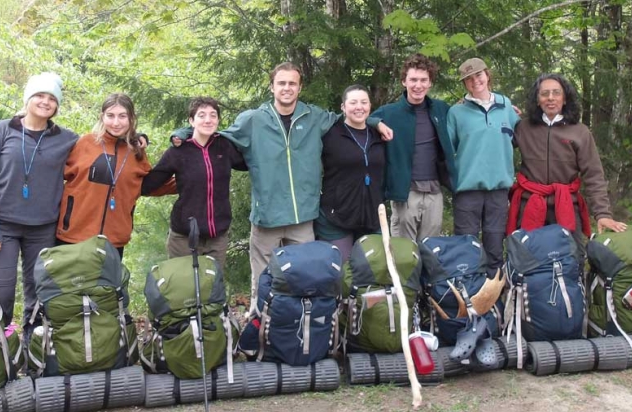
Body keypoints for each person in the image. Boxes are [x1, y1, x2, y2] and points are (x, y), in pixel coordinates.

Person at [172, 62, 393, 313]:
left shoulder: (314, 117)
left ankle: (299, 327)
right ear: (272, 87)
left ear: (299, 87)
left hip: (303, 218)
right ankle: (259, 326)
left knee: (304, 279)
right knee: (263, 282)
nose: (287, 88)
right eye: (282, 83)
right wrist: (182, 132)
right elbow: (215, 135)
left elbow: (351, 117)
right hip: (267, 218)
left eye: (292, 83)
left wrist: (375, 122)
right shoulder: (253, 120)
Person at [0, 72, 79, 325]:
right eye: (40, 95)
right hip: (2, 228)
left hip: (43, 229)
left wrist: (140, 138)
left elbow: (102, 144)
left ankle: (34, 351)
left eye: (52, 98)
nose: (45, 102)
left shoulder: (67, 139)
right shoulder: (2, 131)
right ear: (28, 98)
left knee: (40, 295)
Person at [509, 73, 626, 256]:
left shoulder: (579, 132)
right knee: (526, 260)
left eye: (556, 93)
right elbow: (496, 146)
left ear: (564, 99)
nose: (550, 98)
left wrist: (602, 214)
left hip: (566, 206)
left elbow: (593, 174)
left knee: (573, 258)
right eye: (544, 93)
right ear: (537, 100)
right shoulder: (523, 128)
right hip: (530, 204)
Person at [56, 93, 175, 258]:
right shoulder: (85, 143)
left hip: (113, 240)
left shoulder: (136, 152)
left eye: (122, 116)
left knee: (106, 284)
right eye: (110, 116)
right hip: (74, 236)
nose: (116, 122)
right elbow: (56, 173)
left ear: (131, 118)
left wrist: (188, 180)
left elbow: (146, 185)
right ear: (102, 117)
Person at [142, 97, 246, 268]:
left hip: (217, 238)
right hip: (184, 238)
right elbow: (149, 183)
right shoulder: (178, 151)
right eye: (202, 115)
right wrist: (137, 154)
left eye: (213, 115)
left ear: (218, 120)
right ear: (191, 120)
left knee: (212, 290)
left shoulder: (225, 147)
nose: (208, 120)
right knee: (183, 291)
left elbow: (252, 162)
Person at [446, 58, 520, 274]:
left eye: (478, 75)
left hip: (498, 190)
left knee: (495, 248)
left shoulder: (506, 105)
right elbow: (447, 152)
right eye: (468, 79)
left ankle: (494, 300)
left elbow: (518, 138)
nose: (474, 81)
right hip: (467, 191)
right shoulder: (456, 112)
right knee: (465, 249)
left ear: (487, 75)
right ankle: (468, 300)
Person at [372, 53, 453, 243]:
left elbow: (465, 117)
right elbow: (360, 119)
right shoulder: (389, 112)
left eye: (423, 80)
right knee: (404, 253)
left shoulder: (441, 109)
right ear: (404, 81)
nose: (418, 85)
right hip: (405, 192)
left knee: (431, 249)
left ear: (430, 82)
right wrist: (377, 124)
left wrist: (507, 111)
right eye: (413, 79)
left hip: (434, 190)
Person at [315, 85, 385, 262]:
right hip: (336, 217)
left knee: (373, 273)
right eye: (353, 102)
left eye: (364, 102)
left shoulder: (378, 134)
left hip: (371, 216)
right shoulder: (329, 134)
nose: (359, 107)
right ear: (343, 107)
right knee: (341, 275)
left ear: (370, 105)